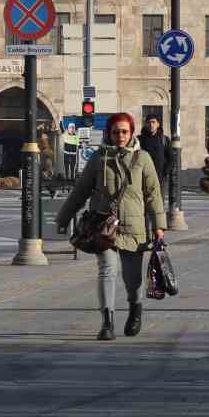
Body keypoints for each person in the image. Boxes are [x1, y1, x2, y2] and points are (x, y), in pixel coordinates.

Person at [55, 111, 166, 341]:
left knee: (132, 278)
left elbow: (153, 194)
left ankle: (135, 309)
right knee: (107, 270)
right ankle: (107, 321)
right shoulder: (98, 158)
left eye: (124, 131)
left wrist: (159, 226)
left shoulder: (142, 158)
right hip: (104, 226)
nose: (120, 136)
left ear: (131, 132)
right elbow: (80, 191)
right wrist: (63, 218)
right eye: (116, 132)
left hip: (134, 228)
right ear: (109, 133)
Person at [138, 114, 173, 191]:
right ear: (145, 124)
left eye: (153, 122)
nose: (151, 125)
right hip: (142, 178)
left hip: (159, 179)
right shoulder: (139, 140)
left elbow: (171, 159)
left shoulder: (164, 140)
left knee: (159, 201)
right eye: (149, 122)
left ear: (158, 124)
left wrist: (165, 172)